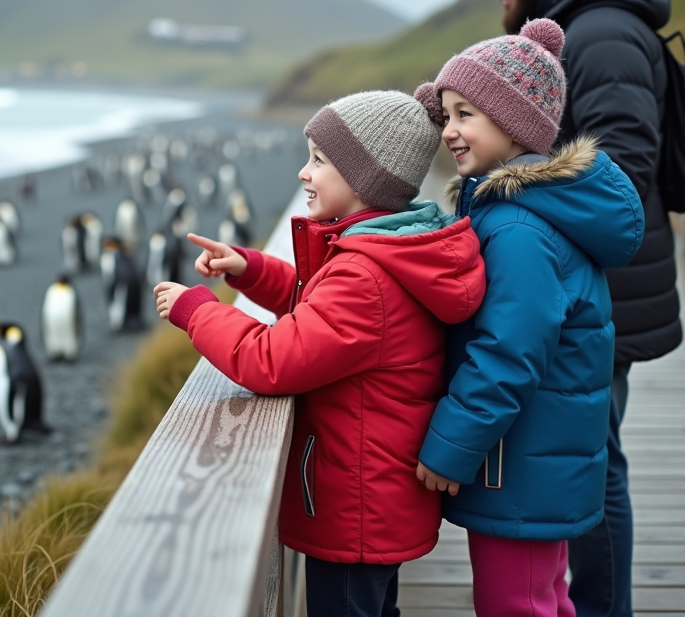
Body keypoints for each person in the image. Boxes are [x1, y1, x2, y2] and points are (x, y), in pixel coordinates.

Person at [153, 90, 486, 617]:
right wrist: (252, 270)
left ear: (364, 180)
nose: (303, 173)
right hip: (376, 498)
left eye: (320, 160)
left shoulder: (364, 276)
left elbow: (272, 359)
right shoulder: (386, 253)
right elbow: (320, 316)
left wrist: (197, 311)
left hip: (354, 506)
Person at [461, 0, 682, 616]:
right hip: (590, 286)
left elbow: (624, 169)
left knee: (592, 465)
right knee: (584, 459)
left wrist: (522, 200)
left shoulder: (603, 31)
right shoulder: (585, 27)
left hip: (599, 291)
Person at [412, 18, 644, 617]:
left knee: (516, 604)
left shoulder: (517, 229)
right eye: (446, 114)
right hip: (534, 460)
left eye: (465, 114)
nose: (449, 130)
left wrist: (451, 444)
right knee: (543, 597)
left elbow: (509, 353)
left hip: (518, 465)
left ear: (514, 123)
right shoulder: (522, 210)